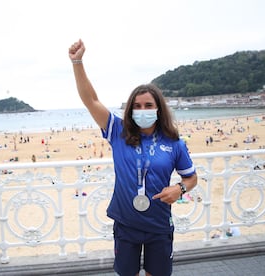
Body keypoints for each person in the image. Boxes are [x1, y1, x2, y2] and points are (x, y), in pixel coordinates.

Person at [69, 39, 197, 276]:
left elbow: (191, 178)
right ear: (130, 109)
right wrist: (77, 62)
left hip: (159, 225)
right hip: (126, 224)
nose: (143, 110)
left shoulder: (174, 143)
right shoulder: (118, 132)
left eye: (149, 105)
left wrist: (179, 189)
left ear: (158, 109)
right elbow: (91, 100)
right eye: (137, 106)